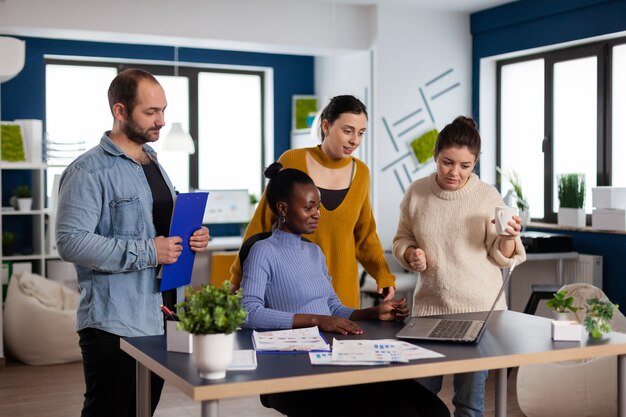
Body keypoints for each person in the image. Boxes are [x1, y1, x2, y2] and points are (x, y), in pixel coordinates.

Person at [56, 68, 210, 417]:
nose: (161, 121)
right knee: (109, 411)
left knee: (143, 410)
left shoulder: (153, 163)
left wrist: (192, 237)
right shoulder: (88, 171)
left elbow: (156, 225)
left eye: (164, 110)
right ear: (120, 111)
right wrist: (149, 251)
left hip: (160, 317)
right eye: (151, 112)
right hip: (115, 323)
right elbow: (70, 242)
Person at [241, 162, 450, 417]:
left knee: (434, 409)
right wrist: (317, 321)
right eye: (308, 207)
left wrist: (374, 312)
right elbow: (248, 312)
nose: (317, 213)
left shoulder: (314, 252)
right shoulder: (263, 251)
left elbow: (334, 308)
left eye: (317, 206)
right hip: (294, 370)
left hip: (337, 357)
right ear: (283, 208)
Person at [391, 116, 526, 417]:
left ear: (475, 163)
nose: (455, 172)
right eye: (447, 162)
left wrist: (508, 237)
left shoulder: (487, 195)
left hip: (478, 314)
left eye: (465, 166)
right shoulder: (417, 192)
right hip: (429, 310)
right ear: (435, 156)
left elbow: (500, 256)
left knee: (469, 405)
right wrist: (410, 252)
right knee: (416, 399)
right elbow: (402, 238)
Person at [231, 95, 395, 308]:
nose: (355, 140)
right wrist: (237, 277)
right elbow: (260, 224)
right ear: (326, 126)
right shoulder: (292, 160)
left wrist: (383, 275)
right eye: (347, 131)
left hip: (343, 294)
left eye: (361, 133)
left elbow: (365, 235)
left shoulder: (361, 173)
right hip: (291, 293)